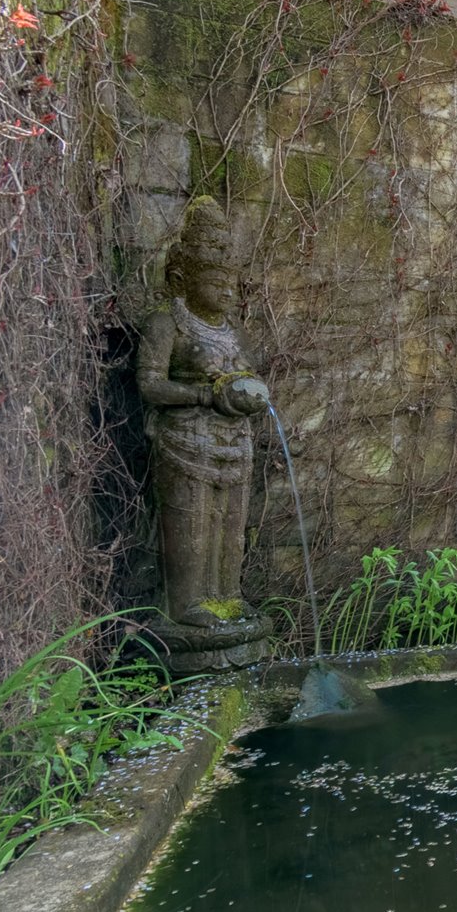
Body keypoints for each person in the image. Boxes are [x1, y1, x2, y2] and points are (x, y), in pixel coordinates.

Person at [136, 197, 270, 628]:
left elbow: (248, 376)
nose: (227, 291)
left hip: (233, 439)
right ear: (183, 279)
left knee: (231, 522)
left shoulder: (236, 333)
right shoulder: (167, 323)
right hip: (183, 439)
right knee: (190, 522)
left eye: (232, 282)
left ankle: (227, 595)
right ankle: (187, 603)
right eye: (215, 281)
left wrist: (244, 392)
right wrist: (202, 395)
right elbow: (149, 384)